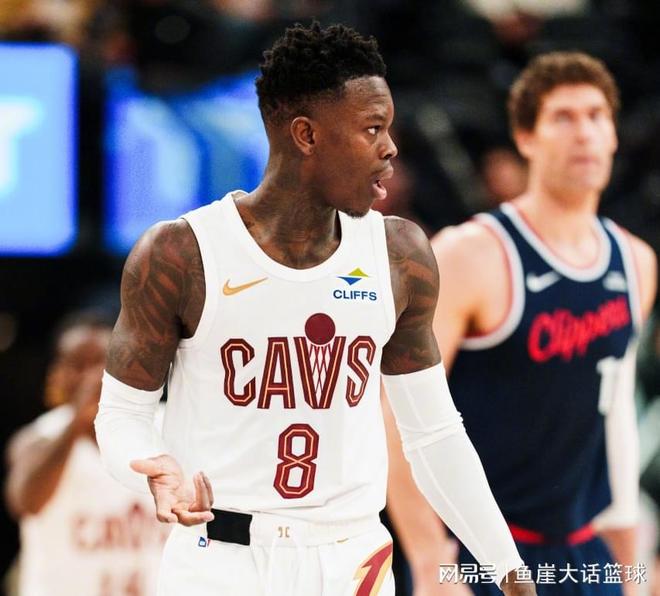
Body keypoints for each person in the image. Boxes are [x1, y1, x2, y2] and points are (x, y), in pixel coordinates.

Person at [94, 22, 536, 596]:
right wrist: (149, 465)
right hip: (222, 559)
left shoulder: (399, 254)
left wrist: (508, 569)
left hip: (352, 557)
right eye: (372, 128)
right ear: (306, 135)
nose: (390, 148)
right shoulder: (182, 252)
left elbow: (433, 435)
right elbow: (120, 415)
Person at [385, 51, 658, 595]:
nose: (584, 133)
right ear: (526, 137)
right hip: (482, 553)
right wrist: (429, 558)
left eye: (596, 116)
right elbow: (398, 415)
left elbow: (615, 415)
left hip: (583, 550)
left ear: (613, 135)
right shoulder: (471, 254)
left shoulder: (636, 262)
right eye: (563, 117)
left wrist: (631, 557)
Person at [4, 310, 169, 596]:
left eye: (103, 362)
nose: (94, 377)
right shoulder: (39, 438)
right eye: (79, 365)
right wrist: (77, 425)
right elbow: (24, 502)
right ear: (57, 375)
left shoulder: (169, 427)